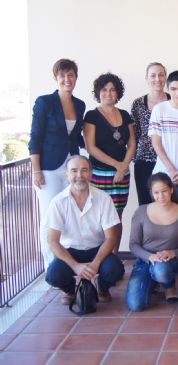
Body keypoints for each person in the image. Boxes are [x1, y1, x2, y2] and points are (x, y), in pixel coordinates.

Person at [29, 58, 86, 268]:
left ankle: (68, 265)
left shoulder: (79, 105)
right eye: (62, 75)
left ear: (76, 78)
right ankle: (50, 267)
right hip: (48, 168)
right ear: (56, 78)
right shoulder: (44, 102)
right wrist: (36, 170)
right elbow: (35, 137)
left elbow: (76, 136)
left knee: (69, 214)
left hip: (71, 167)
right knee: (49, 218)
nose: (66, 79)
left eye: (70, 75)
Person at [45, 155, 124, 305]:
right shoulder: (57, 202)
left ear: (91, 173)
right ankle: (69, 290)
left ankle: (102, 286)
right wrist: (75, 266)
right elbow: (53, 241)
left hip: (97, 249)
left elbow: (111, 238)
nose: (79, 176)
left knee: (115, 270)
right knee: (53, 275)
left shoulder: (104, 198)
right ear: (66, 175)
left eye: (84, 170)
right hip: (70, 250)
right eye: (74, 171)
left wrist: (95, 264)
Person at [126, 173, 178, 311]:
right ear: (151, 193)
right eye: (156, 193)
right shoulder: (141, 211)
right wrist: (150, 257)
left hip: (171, 261)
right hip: (146, 260)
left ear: (171, 189)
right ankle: (155, 281)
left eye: (164, 191)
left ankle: (169, 285)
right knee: (135, 305)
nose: (161, 196)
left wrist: (173, 252)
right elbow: (133, 244)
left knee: (161, 270)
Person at [83, 73, 136, 230]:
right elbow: (90, 147)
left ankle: (114, 254)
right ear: (98, 92)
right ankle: (99, 254)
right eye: (104, 89)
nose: (108, 93)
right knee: (98, 216)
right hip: (100, 174)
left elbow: (132, 143)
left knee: (117, 218)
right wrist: (118, 166)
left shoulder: (125, 115)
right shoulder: (91, 116)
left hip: (122, 175)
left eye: (112, 90)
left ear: (118, 93)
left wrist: (124, 166)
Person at [149, 70, 178, 205]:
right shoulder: (159, 109)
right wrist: (171, 169)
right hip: (163, 174)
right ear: (167, 89)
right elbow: (156, 142)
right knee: (162, 220)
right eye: (173, 89)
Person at [131, 62, 170, 205]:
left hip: (168, 159)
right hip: (144, 161)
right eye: (153, 75)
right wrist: (134, 158)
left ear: (166, 77)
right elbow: (135, 133)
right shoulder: (138, 103)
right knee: (145, 203)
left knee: (167, 203)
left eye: (161, 75)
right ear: (147, 78)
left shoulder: (173, 101)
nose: (157, 79)